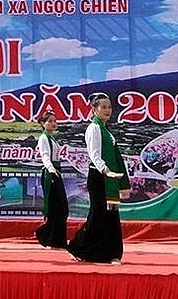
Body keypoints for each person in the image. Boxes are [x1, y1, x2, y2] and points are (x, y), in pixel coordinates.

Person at [68, 93, 130, 265]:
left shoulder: (106, 130)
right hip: (99, 176)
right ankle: (78, 247)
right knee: (98, 215)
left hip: (109, 176)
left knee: (111, 215)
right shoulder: (94, 128)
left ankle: (112, 253)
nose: (107, 110)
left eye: (109, 107)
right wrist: (106, 171)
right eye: (103, 107)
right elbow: (94, 154)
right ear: (94, 109)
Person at [35, 111, 69, 249]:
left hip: (56, 171)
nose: (53, 123)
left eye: (55, 121)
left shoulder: (52, 138)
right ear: (43, 124)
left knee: (62, 208)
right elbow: (45, 156)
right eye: (50, 121)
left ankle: (55, 239)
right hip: (50, 172)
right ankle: (51, 239)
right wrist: (50, 169)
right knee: (56, 207)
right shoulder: (44, 138)